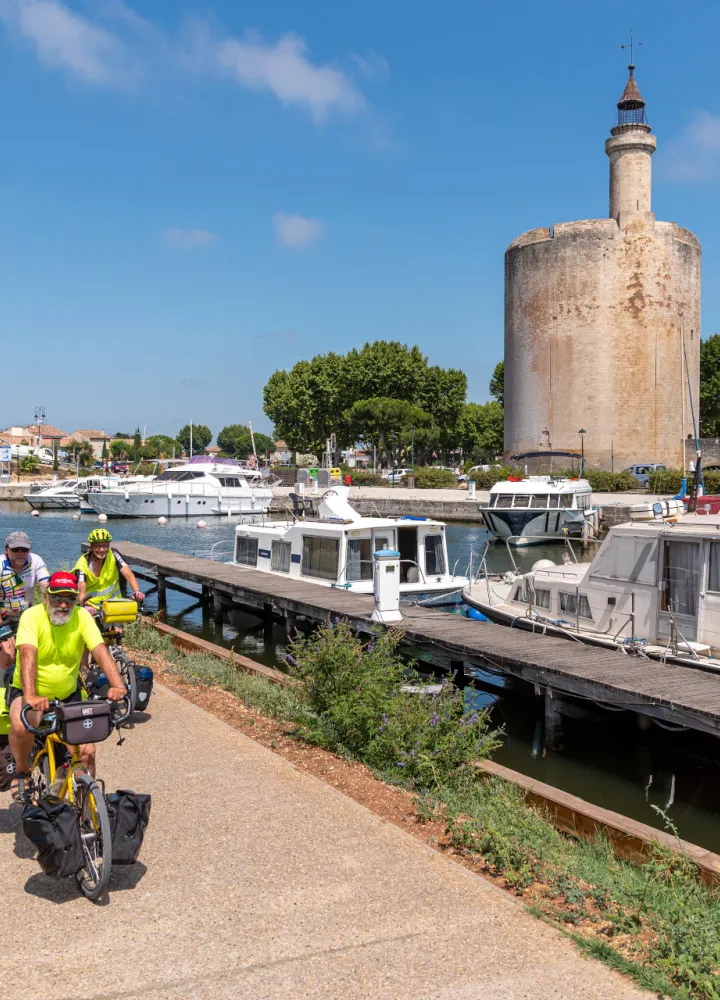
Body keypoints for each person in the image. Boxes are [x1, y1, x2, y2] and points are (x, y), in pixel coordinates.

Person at [7, 572, 126, 800]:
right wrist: (31, 695)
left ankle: (86, 813)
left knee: (87, 752)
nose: (63, 604)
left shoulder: (81, 617)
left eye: (69, 598)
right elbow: (27, 655)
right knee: (22, 727)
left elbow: (99, 650)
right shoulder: (32, 617)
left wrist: (118, 685)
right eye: (57, 597)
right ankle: (21, 771)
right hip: (31, 692)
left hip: (67, 693)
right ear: (45, 597)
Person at [74, 528, 145, 610]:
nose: (101, 550)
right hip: (92, 607)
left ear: (108, 545)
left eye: (104, 546)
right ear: (91, 547)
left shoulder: (114, 554)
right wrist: (85, 606)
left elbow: (128, 575)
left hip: (114, 604)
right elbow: (81, 587)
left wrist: (137, 591)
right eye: (98, 546)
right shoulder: (82, 564)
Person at [0, 531, 50, 631]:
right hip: (2, 617)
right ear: (6, 550)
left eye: (24, 549)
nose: (20, 553)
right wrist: (2, 628)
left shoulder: (36, 560)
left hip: (26, 615)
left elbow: (47, 586)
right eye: (15, 549)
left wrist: (48, 611)